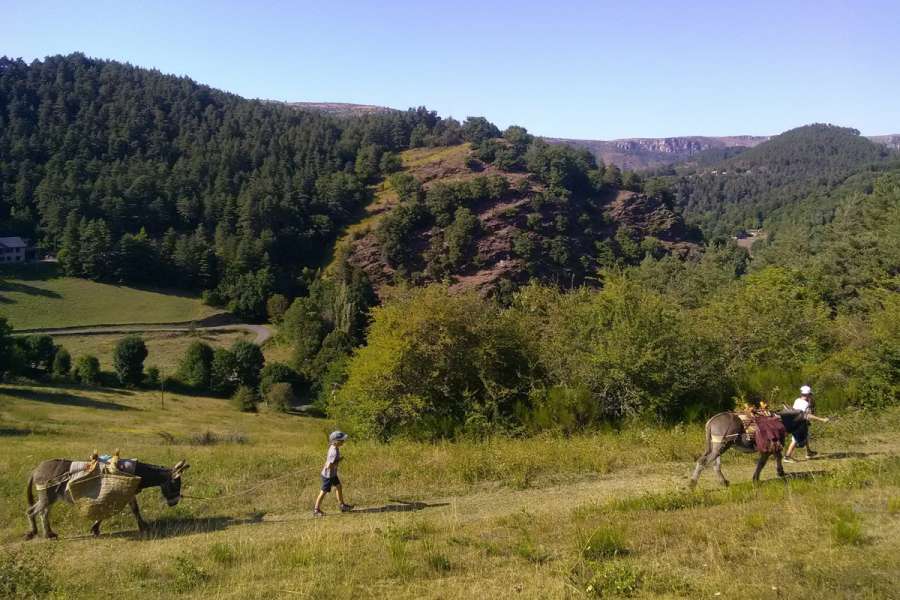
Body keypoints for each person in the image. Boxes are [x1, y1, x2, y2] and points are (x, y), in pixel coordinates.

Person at [783, 385, 830, 463]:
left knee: (806, 436)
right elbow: (807, 415)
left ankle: (808, 452)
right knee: (795, 440)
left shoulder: (797, 400)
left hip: (795, 422)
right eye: (810, 394)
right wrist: (822, 419)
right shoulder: (805, 404)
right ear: (808, 394)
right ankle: (787, 456)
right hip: (799, 424)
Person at [313, 431, 353, 517]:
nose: (343, 442)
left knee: (338, 486)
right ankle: (316, 510)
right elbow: (330, 466)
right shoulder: (334, 451)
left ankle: (342, 506)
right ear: (336, 441)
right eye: (341, 440)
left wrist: (336, 461)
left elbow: (330, 462)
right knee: (323, 492)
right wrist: (338, 460)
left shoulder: (333, 446)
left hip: (333, 474)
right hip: (329, 475)